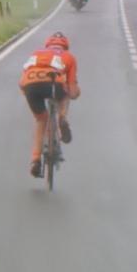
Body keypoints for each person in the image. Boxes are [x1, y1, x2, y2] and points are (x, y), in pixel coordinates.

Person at [19, 32, 81, 177]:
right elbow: (72, 90)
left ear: (47, 44)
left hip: (30, 85)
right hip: (54, 83)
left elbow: (21, 82)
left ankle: (35, 160)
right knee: (64, 94)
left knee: (41, 119)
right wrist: (75, 93)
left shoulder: (35, 53)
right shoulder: (69, 57)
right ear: (65, 46)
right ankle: (62, 118)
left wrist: (29, 94)